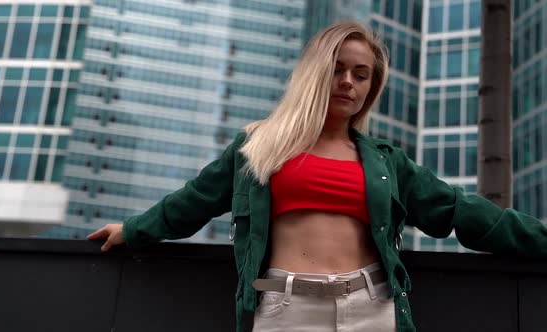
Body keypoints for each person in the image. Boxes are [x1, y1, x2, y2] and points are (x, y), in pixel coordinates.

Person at [87, 21, 547, 332]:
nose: (349, 81)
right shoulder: (259, 146)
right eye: (338, 69)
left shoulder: (386, 162)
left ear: (371, 87)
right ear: (315, 73)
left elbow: (461, 211)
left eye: (362, 75)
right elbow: (192, 201)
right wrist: (132, 229)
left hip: (374, 308)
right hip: (286, 309)